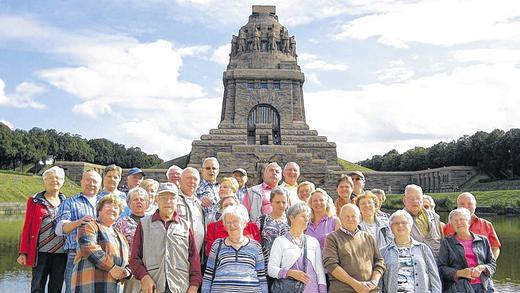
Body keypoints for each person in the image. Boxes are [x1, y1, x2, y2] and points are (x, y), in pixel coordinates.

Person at [130, 183, 201, 293]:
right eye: (163, 198)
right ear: (156, 200)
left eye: (172, 198)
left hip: (180, 286)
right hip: (153, 286)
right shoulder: (144, 224)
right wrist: (144, 277)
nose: (168, 201)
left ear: (177, 200)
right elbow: (134, 259)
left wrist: (194, 285)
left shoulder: (186, 226)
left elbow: (194, 259)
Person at [17, 166, 67, 293]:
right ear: (44, 181)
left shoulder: (67, 202)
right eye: (50, 178)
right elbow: (27, 228)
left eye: (57, 178)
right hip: (40, 252)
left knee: (56, 287)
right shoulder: (35, 201)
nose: (54, 180)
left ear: (62, 181)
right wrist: (23, 252)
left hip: (61, 252)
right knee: (37, 286)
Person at [71, 194, 131, 293]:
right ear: (99, 210)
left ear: (119, 214)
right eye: (108, 205)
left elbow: (129, 260)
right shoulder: (89, 226)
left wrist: (126, 272)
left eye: (116, 207)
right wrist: (112, 267)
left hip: (113, 288)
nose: (112, 209)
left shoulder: (122, 237)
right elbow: (89, 249)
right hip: (89, 286)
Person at [55, 170, 103, 293]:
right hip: (76, 254)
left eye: (95, 181)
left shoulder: (105, 203)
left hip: (102, 255)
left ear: (100, 184)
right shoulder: (70, 202)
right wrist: (79, 222)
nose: (91, 184)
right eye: (88, 180)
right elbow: (60, 229)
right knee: (73, 289)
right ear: (81, 182)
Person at [202, 205, 268, 293]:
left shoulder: (255, 246)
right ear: (224, 225)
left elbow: (262, 277)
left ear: (244, 223)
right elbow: (208, 276)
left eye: (235, 221)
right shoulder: (217, 245)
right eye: (228, 222)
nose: (232, 225)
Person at [323, 204, 385, 293]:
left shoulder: (368, 237)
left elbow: (379, 261)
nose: (350, 219)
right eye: (347, 216)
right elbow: (331, 264)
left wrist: (374, 282)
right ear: (340, 218)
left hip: (370, 290)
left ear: (359, 217)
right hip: (343, 290)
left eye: (353, 216)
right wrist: (355, 284)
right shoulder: (332, 238)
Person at [268, 202, 327, 293]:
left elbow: (320, 272)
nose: (307, 219)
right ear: (292, 218)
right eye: (303, 216)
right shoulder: (280, 241)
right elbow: (271, 269)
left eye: (308, 217)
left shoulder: (313, 242)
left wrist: (323, 291)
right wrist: (289, 273)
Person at [380, 210, 441, 293]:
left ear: (410, 225)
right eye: (396, 223)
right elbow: (380, 282)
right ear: (391, 228)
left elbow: (434, 277)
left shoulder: (423, 249)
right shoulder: (383, 252)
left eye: (404, 222)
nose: (400, 225)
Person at [438, 208, 496, 293]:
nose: (459, 223)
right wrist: (460, 273)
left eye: (462, 219)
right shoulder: (446, 243)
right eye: (455, 221)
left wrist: (482, 267)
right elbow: (441, 268)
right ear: (451, 225)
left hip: (485, 287)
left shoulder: (483, 240)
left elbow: (492, 264)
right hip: (458, 288)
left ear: (468, 222)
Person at [443, 192, 501, 259]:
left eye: (470, 204)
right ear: (457, 207)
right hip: (456, 268)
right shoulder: (447, 227)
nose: (466, 207)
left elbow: (495, 248)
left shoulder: (487, 225)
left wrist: (489, 266)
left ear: (475, 205)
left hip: (480, 267)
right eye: (462, 204)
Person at [114, 187, 149, 293]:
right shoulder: (121, 223)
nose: (139, 201)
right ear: (129, 204)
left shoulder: (152, 222)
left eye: (142, 200)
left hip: (150, 270)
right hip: (130, 270)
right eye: (135, 199)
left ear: (147, 204)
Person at [256, 188, 290, 287]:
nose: (281, 205)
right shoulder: (262, 220)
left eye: (284, 202)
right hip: (265, 268)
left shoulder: (292, 221)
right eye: (277, 202)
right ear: (271, 202)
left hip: (286, 269)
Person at [402, 184, 443, 258]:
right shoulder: (398, 220)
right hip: (413, 261)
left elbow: (441, 240)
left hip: (437, 261)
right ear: (404, 201)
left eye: (418, 198)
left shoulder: (434, 217)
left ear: (422, 200)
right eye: (411, 198)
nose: (415, 201)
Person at [177, 167, 206, 256]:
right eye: (188, 178)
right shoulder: (173, 200)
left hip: (196, 258)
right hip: (178, 256)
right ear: (180, 180)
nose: (192, 181)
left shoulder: (199, 204)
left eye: (195, 179)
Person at [196, 157, 220, 224]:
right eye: (208, 168)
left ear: (218, 171)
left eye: (214, 168)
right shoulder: (195, 188)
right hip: (204, 226)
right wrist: (199, 201)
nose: (211, 170)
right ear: (202, 171)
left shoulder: (223, 188)